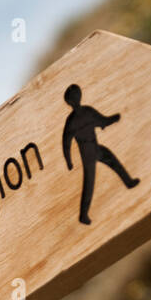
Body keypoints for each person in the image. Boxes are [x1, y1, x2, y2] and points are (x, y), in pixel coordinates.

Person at [62, 83, 140, 224]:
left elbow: (102, 120)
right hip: (87, 154)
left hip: (95, 147)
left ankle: (128, 182)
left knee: (113, 161)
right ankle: (83, 215)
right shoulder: (73, 120)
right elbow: (66, 143)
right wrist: (68, 161)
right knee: (89, 183)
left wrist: (114, 119)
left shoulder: (86, 112)